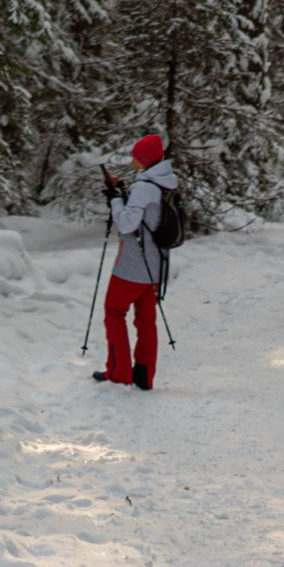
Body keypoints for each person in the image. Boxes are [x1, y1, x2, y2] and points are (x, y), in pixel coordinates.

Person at [94, 130, 178, 389]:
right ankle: (144, 374)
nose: (132, 160)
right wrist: (121, 191)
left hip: (132, 265)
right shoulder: (166, 182)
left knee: (114, 312)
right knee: (145, 319)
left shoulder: (144, 186)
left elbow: (127, 223)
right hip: (156, 265)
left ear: (145, 159)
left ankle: (119, 372)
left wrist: (116, 200)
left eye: (135, 156)